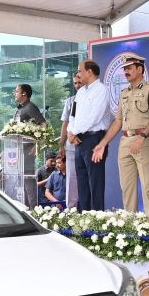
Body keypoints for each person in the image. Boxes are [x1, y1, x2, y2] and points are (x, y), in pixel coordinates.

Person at [92, 54, 149, 217]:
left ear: (140, 69)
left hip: (144, 140)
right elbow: (117, 121)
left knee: (148, 185)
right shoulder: (124, 92)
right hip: (125, 141)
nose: (126, 72)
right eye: (124, 69)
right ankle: (131, 224)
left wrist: (143, 136)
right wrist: (103, 143)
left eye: (129, 68)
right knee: (127, 186)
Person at [69, 60, 113, 211]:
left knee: (95, 181)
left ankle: (97, 218)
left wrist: (74, 132)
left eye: (80, 71)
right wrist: (70, 131)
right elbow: (72, 115)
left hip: (94, 139)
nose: (78, 74)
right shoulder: (81, 92)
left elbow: (94, 116)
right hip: (79, 140)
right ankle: (84, 217)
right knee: (81, 180)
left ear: (89, 72)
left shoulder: (101, 90)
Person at [59, 73, 82, 209]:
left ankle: (87, 210)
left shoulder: (93, 99)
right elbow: (65, 124)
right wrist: (61, 144)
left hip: (87, 143)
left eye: (80, 82)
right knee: (71, 180)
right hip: (71, 145)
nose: (77, 86)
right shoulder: (70, 101)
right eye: (75, 83)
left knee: (85, 180)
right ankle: (71, 210)